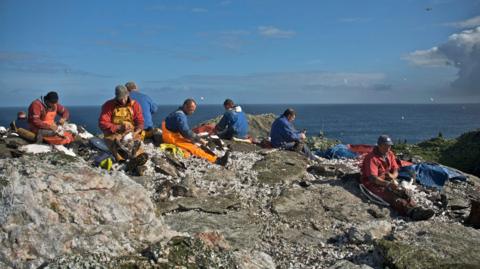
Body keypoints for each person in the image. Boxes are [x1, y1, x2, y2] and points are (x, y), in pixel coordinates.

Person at [361, 135, 434, 221]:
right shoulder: (371, 158)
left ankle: (417, 208)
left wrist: (393, 176)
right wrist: (388, 184)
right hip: (373, 184)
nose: (388, 148)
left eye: (390, 146)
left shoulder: (389, 154)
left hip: (387, 180)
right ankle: (411, 212)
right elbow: (373, 178)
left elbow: (395, 169)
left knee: (404, 192)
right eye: (386, 146)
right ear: (379, 145)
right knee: (392, 197)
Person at [162, 98, 229, 166]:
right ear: (185, 106)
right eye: (191, 110)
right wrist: (199, 139)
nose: (192, 112)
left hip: (171, 132)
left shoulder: (177, 112)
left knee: (192, 141)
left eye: (193, 110)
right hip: (171, 137)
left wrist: (194, 138)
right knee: (193, 147)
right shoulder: (180, 116)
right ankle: (216, 161)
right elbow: (186, 132)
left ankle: (211, 156)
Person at [99, 85, 145, 163]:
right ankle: (122, 162)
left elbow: (140, 122)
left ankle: (138, 161)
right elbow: (102, 123)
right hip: (113, 134)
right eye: (120, 99)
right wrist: (118, 127)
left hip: (130, 133)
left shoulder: (135, 105)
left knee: (136, 145)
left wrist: (135, 132)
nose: (123, 101)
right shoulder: (109, 105)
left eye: (124, 98)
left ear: (128, 94)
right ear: (116, 97)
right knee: (115, 144)